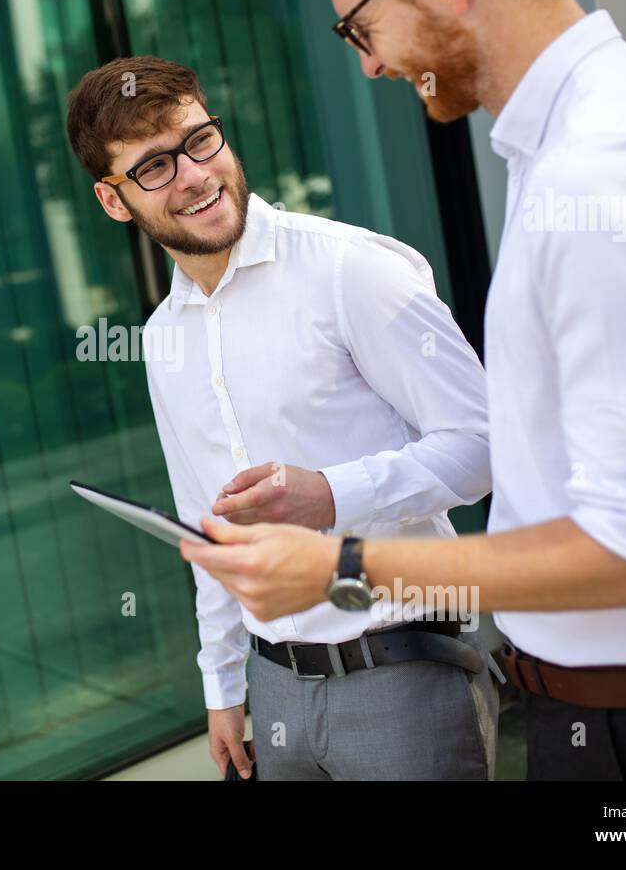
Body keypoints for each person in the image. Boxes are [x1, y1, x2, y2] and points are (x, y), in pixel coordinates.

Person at [181, 0, 626, 779]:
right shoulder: (582, 143)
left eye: (362, 27)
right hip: (624, 712)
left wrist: (342, 567)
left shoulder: (599, 176)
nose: (370, 64)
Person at [66, 56, 497, 779]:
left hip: (402, 668)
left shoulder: (349, 269)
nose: (196, 175)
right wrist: (221, 684)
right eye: (154, 167)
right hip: (273, 693)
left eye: (200, 140)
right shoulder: (163, 336)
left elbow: (485, 447)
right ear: (114, 201)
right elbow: (207, 530)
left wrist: (329, 494)